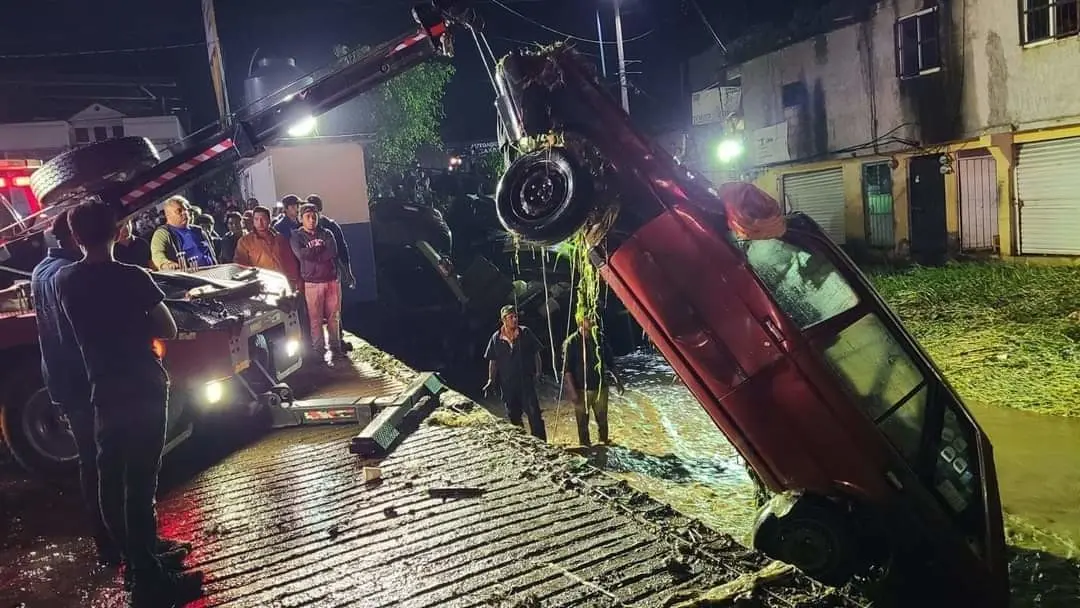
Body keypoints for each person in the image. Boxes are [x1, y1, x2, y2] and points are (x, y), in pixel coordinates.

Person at [55, 200, 203, 604]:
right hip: (144, 386)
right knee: (140, 484)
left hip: (103, 389)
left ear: (76, 236)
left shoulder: (66, 281)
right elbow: (168, 327)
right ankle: (147, 579)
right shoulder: (134, 277)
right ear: (118, 232)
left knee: (112, 480)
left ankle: (137, 560)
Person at [483, 305, 547, 440]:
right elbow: (493, 361)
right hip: (507, 386)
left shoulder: (525, 333)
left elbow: (536, 354)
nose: (515, 319)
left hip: (526, 383)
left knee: (534, 415)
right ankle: (523, 443)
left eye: (516, 316)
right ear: (503, 320)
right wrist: (491, 380)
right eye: (511, 317)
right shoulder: (496, 338)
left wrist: (538, 372)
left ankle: (543, 444)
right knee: (514, 417)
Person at [562, 312, 623, 446]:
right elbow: (567, 370)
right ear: (580, 321)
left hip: (601, 387)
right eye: (588, 318)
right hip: (581, 389)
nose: (592, 320)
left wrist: (618, 380)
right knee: (582, 422)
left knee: (602, 419)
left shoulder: (599, 338)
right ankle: (585, 445)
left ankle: (604, 442)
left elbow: (610, 361)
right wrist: (572, 391)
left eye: (592, 317)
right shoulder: (571, 342)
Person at [290, 203, 343, 361]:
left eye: (314, 216)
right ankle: (318, 350)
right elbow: (301, 254)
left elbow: (332, 251)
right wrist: (319, 249)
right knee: (315, 318)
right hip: (311, 282)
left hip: (331, 279)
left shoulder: (327, 233)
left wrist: (314, 254)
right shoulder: (296, 236)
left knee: (334, 316)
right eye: (308, 217)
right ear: (301, 219)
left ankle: (336, 347)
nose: (312, 220)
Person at [307, 194, 355, 351]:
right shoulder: (301, 231)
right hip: (312, 279)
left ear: (320, 209)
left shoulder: (331, 226)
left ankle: (337, 342)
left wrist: (348, 272)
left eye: (315, 209)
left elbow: (342, 250)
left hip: (332, 276)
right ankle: (317, 347)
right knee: (315, 315)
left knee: (335, 311)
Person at [235, 206, 302, 290]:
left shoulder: (280, 239)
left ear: (269, 220)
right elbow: (240, 266)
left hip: (282, 283)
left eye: (263, 219)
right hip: (261, 285)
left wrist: (294, 280)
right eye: (256, 219)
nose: (260, 222)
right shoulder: (245, 242)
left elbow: (290, 261)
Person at [150, 196, 218, 270]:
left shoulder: (199, 230)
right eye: (179, 211)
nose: (184, 213)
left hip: (212, 274)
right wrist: (166, 264)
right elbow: (157, 254)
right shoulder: (162, 234)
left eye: (186, 210)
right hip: (189, 278)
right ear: (168, 215)